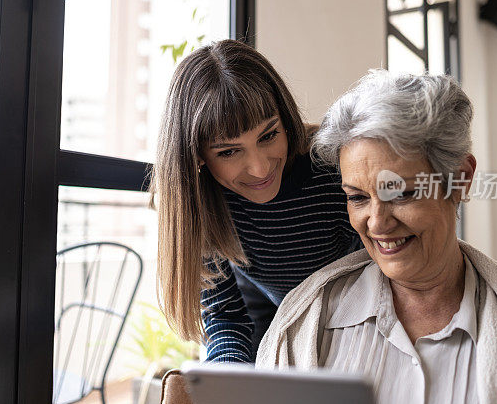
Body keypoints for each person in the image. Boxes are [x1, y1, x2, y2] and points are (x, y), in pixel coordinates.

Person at [256, 70, 497, 404]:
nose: (377, 223)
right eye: (356, 197)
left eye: (401, 193)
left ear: (461, 179)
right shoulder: (303, 323)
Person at [152, 39, 360, 366]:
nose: (260, 168)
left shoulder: (334, 167)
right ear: (198, 156)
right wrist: (226, 385)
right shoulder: (202, 204)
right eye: (228, 151)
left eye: (268, 135)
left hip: (365, 325)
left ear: (285, 119)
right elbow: (229, 321)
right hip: (278, 338)